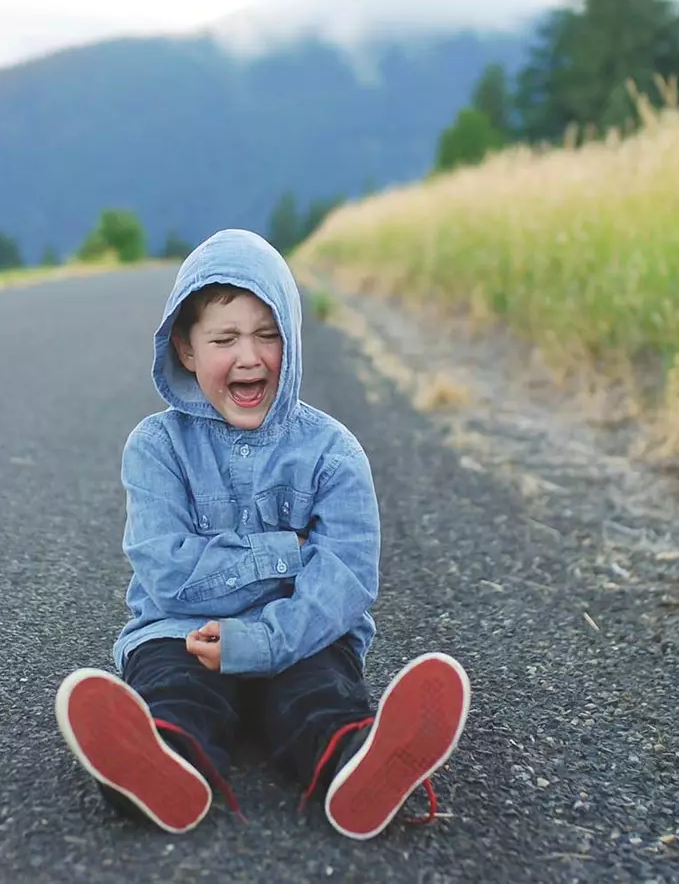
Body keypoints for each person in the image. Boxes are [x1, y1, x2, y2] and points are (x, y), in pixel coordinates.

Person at [53, 228, 471, 839]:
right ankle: (155, 766)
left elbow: (346, 581)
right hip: (182, 633)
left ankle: (362, 762)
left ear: (293, 344)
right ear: (187, 350)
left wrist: (264, 642)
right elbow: (167, 571)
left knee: (316, 699)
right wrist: (285, 552)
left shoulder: (333, 453)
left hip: (301, 634)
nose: (249, 357)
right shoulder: (156, 447)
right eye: (224, 338)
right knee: (175, 693)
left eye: (268, 335)